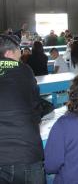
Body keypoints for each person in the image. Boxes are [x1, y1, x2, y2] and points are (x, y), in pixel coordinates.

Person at [0, 35, 46, 184]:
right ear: (8, 54)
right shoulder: (24, 70)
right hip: (25, 152)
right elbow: (36, 109)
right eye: (18, 52)